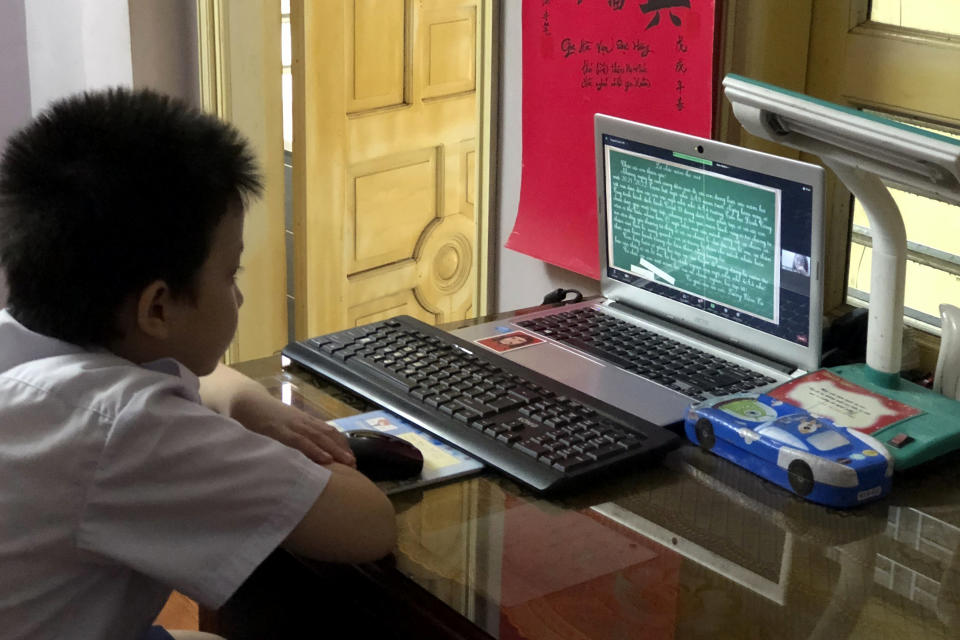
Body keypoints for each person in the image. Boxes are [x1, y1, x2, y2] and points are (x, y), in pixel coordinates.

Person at [0, 88, 397, 639]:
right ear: (157, 306)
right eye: (230, 274)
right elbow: (365, 525)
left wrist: (247, 404)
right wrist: (298, 450)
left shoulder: (32, 357)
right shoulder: (122, 426)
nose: (239, 297)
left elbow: (199, 380)